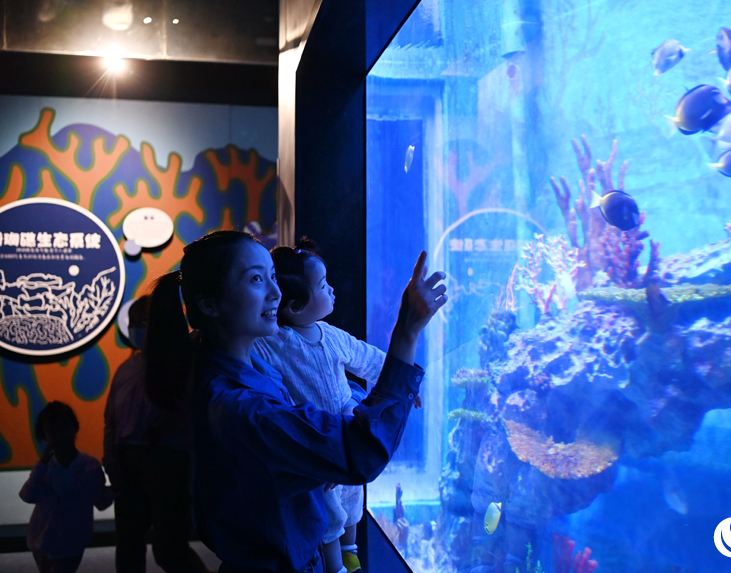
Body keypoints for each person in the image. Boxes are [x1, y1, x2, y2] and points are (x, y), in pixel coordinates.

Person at [145, 230, 446, 573]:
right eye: (256, 279)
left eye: (272, 277)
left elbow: (326, 391)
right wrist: (406, 331)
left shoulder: (246, 367)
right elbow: (361, 453)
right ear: (209, 304)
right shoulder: (238, 407)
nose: (275, 292)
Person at [254, 239, 416, 573]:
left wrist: (406, 384)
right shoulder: (274, 342)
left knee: (353, 496)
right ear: (295, 305)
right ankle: (334, 566)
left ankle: (351, 550)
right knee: (327, 510)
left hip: (345, 434)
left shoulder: (331, 335)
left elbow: (368, 359)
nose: (332, 290)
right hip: (315, 444)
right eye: (324, 285)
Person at [103, 296, 211, 573]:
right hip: (128, 467)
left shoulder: (184, 366)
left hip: (170, 467)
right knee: (128, 547)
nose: (138, 329)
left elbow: (196, 416)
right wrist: (113, 463)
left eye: (144, 322)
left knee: (170, 549)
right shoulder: (126, 369)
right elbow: (111, 423)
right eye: (134, 323)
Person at [19, 401, 114, 573]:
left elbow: (100, 500)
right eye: (52, 429)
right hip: (43, 542)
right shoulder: (47, 468)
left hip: (60, 541)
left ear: (74, 427)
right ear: (44, 435)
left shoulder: (90, 467)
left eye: (63, 425)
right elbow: (28, 495)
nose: (60, 433)